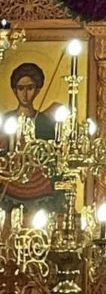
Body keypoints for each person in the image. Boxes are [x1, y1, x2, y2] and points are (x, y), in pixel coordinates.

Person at [0, 62, 59, 210]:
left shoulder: (46, 122)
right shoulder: (6, 120)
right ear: (14, 90)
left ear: (38, 90)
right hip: (9, 187)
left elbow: (54, 158)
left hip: (40, 188)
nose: (25, 94)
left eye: (30, 88)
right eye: (21, 88)